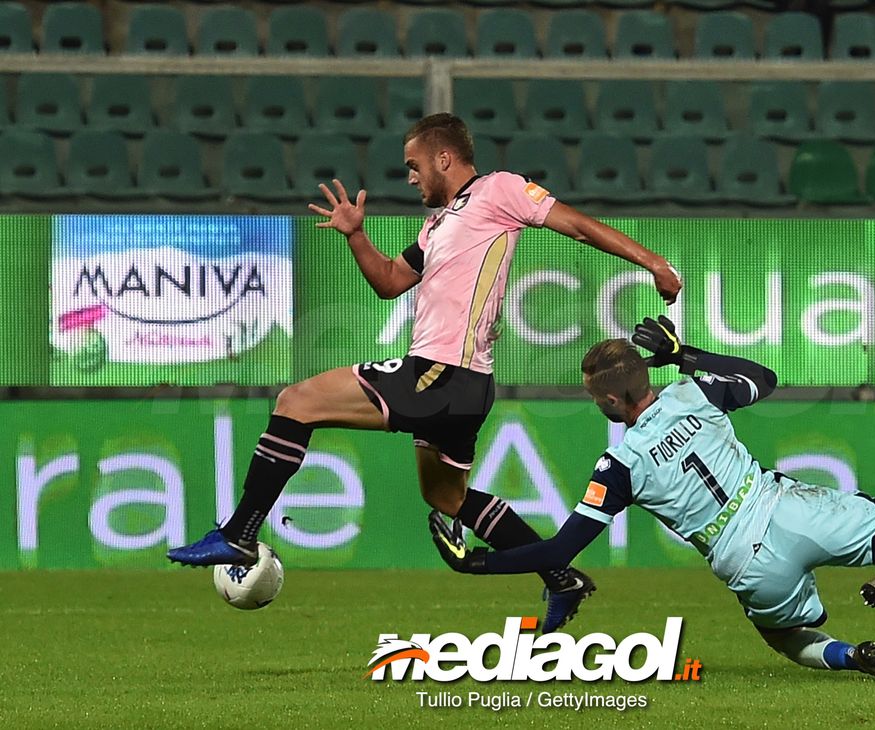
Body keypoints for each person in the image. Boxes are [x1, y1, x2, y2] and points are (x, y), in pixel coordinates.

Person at [167, 113, 682, 632]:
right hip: (463, 386)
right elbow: (391, 282)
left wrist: (653, 262)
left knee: (296, 401)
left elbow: (576, 225)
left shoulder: (498, 190)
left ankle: (241, 531)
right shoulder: (437, 225)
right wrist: (355, 236)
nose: (410, 177)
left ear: (444, 158)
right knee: (446, 497)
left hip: (440, 373)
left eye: (414, 166)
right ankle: (559, 577)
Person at [431, 316, 875, 679]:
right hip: (789, 507)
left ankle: (855, 657)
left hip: (743, 559)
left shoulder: (618, 466)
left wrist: (475, 562)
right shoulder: (696, 392)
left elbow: (557, 552)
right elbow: (765, 377)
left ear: (614, 401)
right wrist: (684, 355)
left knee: (790, 639)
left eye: (596, 398)